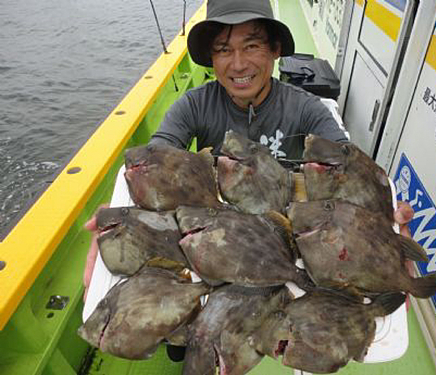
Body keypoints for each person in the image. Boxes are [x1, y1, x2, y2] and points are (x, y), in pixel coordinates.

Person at [83, 0, 415, 362]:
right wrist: (119, 212)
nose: (238, 63)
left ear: (275, 50)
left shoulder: (306, 108)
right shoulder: (192, 106)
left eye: (251, 46)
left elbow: (350, 166)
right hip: (215, 245)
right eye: (223, 50)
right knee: (190, 346)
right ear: (211, 58)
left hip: (284, 251)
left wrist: (385, 230)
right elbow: (156, 159)